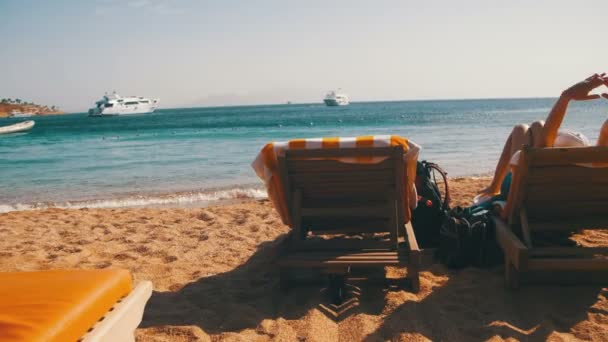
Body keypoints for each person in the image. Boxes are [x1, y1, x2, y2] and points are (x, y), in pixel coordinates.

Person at [476, 74, 608, 204]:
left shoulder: (527, 182)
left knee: (530, 127)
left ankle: (495, 186)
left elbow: (543, 146)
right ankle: (494, 186)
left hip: (531, 190)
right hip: (570, 188)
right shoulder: (599, 162)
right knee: (524, 128)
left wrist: (566, 97)